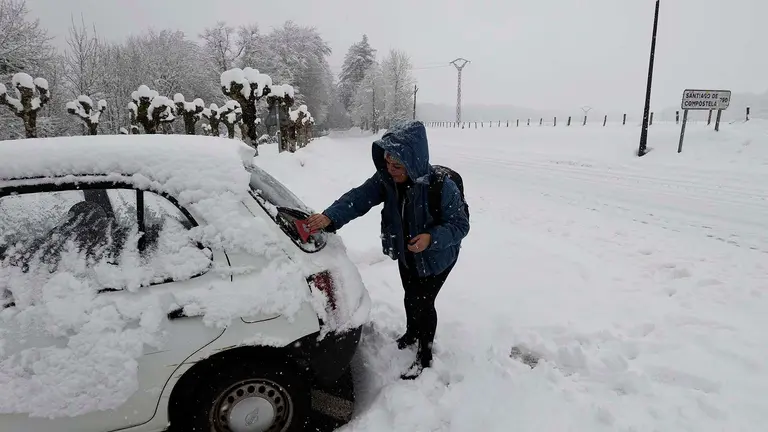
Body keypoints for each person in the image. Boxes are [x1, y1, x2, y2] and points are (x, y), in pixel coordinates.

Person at [306, 120, 470, 379]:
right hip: (408, 253)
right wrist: (329, 217)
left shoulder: (441, 187)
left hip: (439, 255)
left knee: (425, 303)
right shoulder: (387, 180)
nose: (390, 170)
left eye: (397, 166)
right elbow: (358, 198)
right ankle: (411, 333)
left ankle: (424, 358)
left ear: (413, 162)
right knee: (410, 294)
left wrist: (430, 237)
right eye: (386, 163)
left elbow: (460, 225)